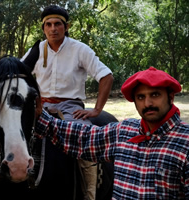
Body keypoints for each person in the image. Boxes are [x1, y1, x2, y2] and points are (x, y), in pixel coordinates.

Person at [35, 66, 189, 199]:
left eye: (155, 95)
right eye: (141, 97)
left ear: (170, 97)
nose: (147, 103)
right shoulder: (124, 131)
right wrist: (39, 116)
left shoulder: (185, 143)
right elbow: (83, 138)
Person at [22, 5, 114, 200]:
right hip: (41, 107)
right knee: (13, 133)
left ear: (66, 26)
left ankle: (89, 192)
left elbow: (106, 76)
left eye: (57, 24)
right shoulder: (37, 49)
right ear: (43, 27)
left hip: (71, 107)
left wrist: (97, 109)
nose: (53, 28)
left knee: (84, 139)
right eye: (48, 24)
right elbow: (19, 73)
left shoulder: (79, 49)